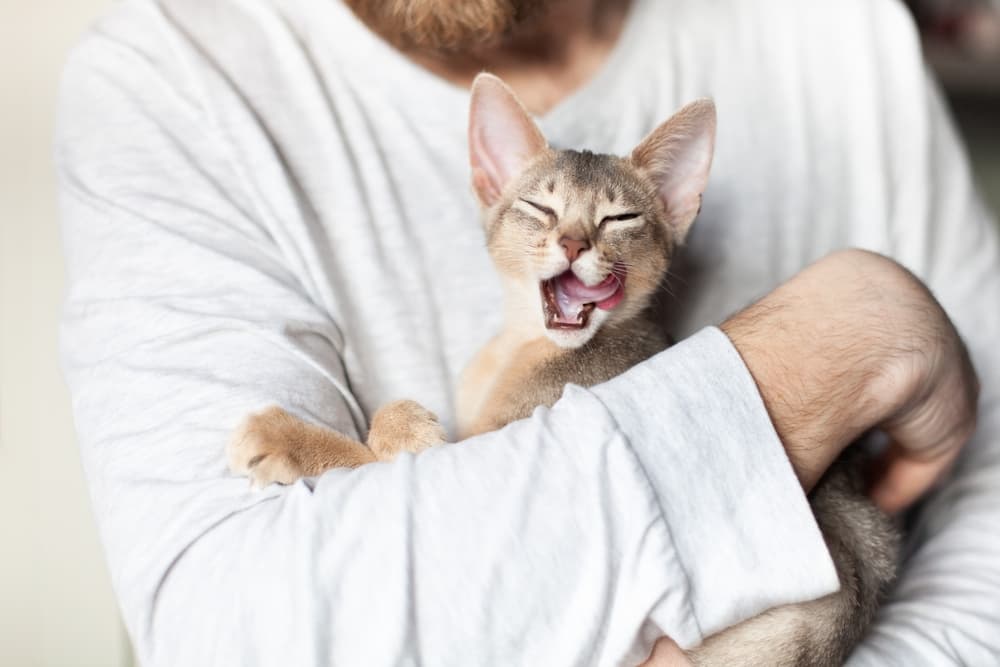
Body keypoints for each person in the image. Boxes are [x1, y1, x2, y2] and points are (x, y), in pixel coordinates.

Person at [55, 0, 995, 664]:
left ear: (673, 206)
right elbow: (227, 634)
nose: (576, 240)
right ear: (489, 177)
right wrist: (854, 331)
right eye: (541, 213)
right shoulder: (163, 78)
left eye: (617, 223)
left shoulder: (838, 26)